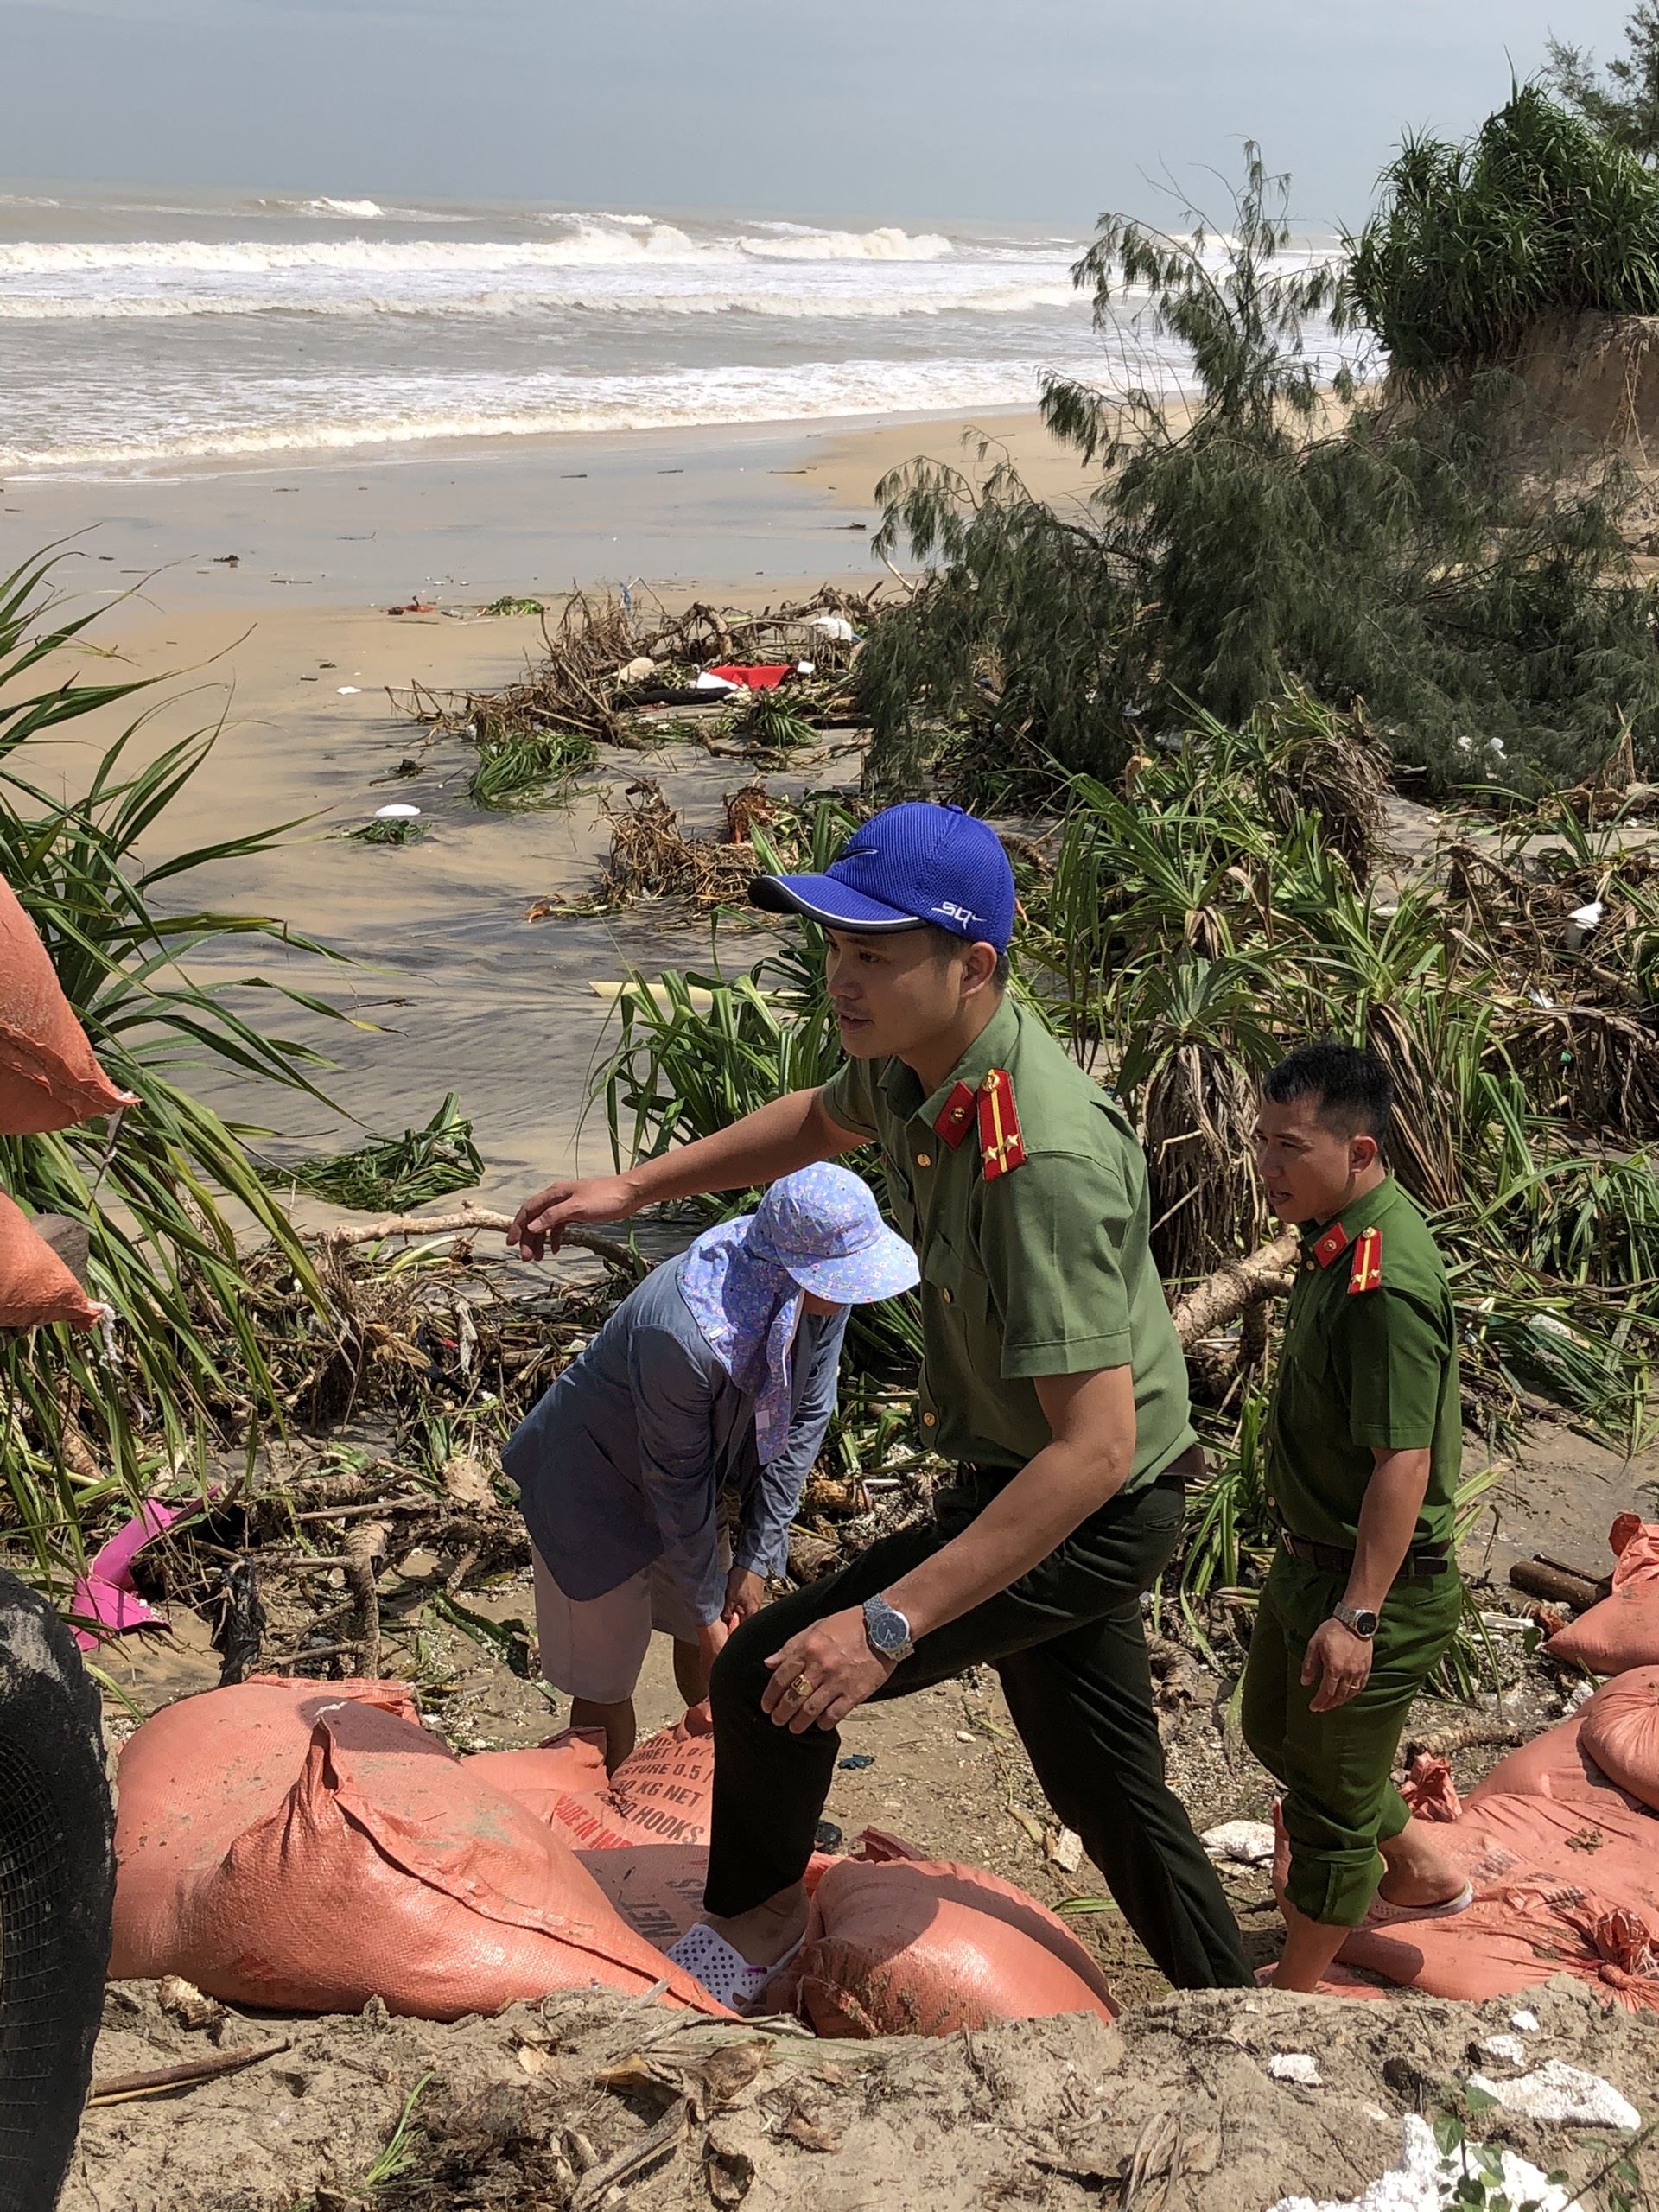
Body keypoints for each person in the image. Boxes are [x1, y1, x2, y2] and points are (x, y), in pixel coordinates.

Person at [510, 799, 1252, 2007]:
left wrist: (887, 1625)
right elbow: (819, 1119)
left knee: (770, 1679)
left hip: (1082, 1503)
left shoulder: (1040, 1161)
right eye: (835, 950)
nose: (840, 980)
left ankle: (748, 1938)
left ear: (974, 967)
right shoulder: (931, 1069)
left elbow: (1095, 1450)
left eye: (873, 954)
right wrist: (633, 1184)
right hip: (1033, 1485)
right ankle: (1236, 2007)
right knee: (1109, 1792)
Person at [502, 1164, 918, 1771]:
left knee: (718, 1631)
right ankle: (604, 1825)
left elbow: (802, 1421)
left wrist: (755, 1557)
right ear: (793, 1267)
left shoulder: (822, 1300)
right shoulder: (684, 1333)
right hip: (590, 1485)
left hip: (699, 1484)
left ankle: (703, 1791)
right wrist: (705, 1619)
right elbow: (677, 1481)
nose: (856, 1290)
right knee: (606, 1681)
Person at [1243, 1042, 1470, 1993]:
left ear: (1362, 1151)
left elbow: (1402, 1461)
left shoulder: (1382, 1280)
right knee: (1270, 1731)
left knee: (1331, 1805)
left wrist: (1359, 1616)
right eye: (1261, 1142)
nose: (1267, 1166)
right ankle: (1421, 1869)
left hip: (1371, 1583)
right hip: (1314, 1563)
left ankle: (1290, 1996)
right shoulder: (1337, 1241)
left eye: (1290, 1146)